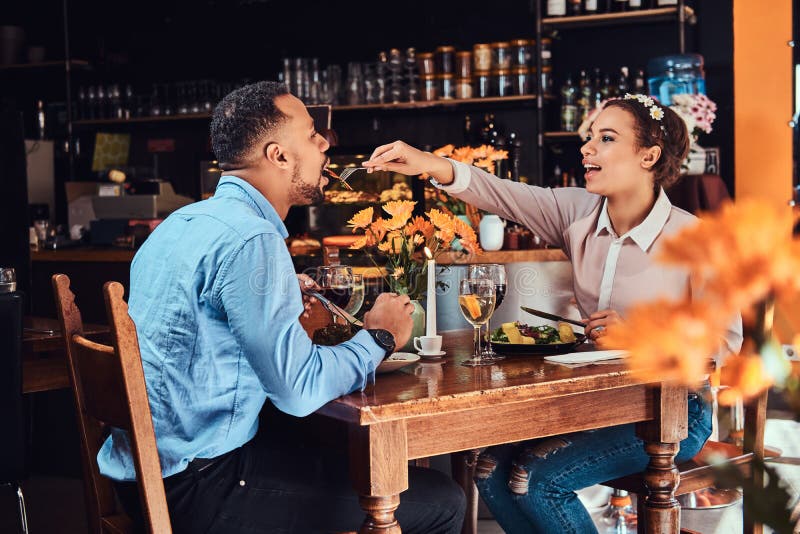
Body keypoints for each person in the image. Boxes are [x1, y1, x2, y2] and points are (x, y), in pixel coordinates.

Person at [362, 93, 743, 533]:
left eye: (606, 138)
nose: (587, 148)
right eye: (590, 137)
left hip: (672, 410)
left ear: (649, 155)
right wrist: (426, 162)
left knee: (536, 481)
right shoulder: (576, 211)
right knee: (488, 469)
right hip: (594, 402)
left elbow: (725, 349)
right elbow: (501, 194)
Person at [104, 81, 466, 534]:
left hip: (144, 476)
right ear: (278, 156)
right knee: (442, 500)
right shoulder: (253, 238)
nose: (325, 143)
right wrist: (380, 336)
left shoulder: (181, 223)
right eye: (312, 134)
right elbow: (296, 390)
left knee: (334, 454)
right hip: (201, 488)